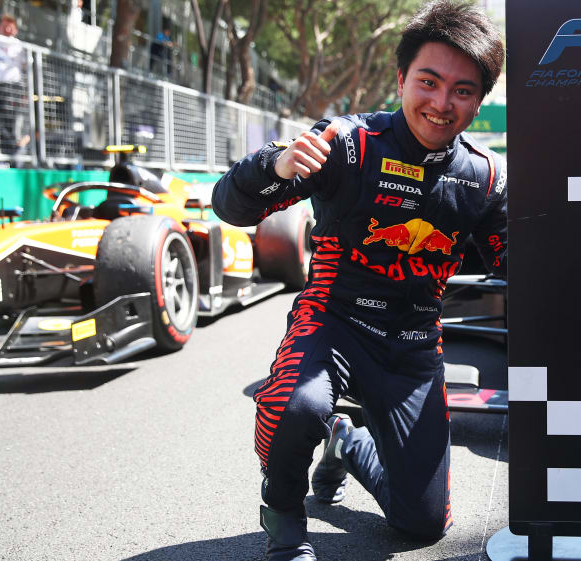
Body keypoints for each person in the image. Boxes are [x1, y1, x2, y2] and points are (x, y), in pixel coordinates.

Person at [211, 2, 506, 559]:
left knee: (423, 525)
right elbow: (230, 207)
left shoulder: (486, 177)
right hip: (334, 320)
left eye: (462, 91)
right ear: (401, 79)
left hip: (415, 346)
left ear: (479, 100)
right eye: (428, 81)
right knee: (293, 406)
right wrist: (274, 166)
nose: (442, 104)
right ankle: (285, 530)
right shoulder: (348, 143)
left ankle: (347, 442)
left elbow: (517, 263)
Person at [0, 14, 30, 158]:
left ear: (15, 29)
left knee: (12, 120)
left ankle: (14, 149)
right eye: (4, 25)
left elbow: (26, 67)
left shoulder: (18, 45)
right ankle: (4, 149)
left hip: (12, 88)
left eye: (10, 26)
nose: (6, 28)